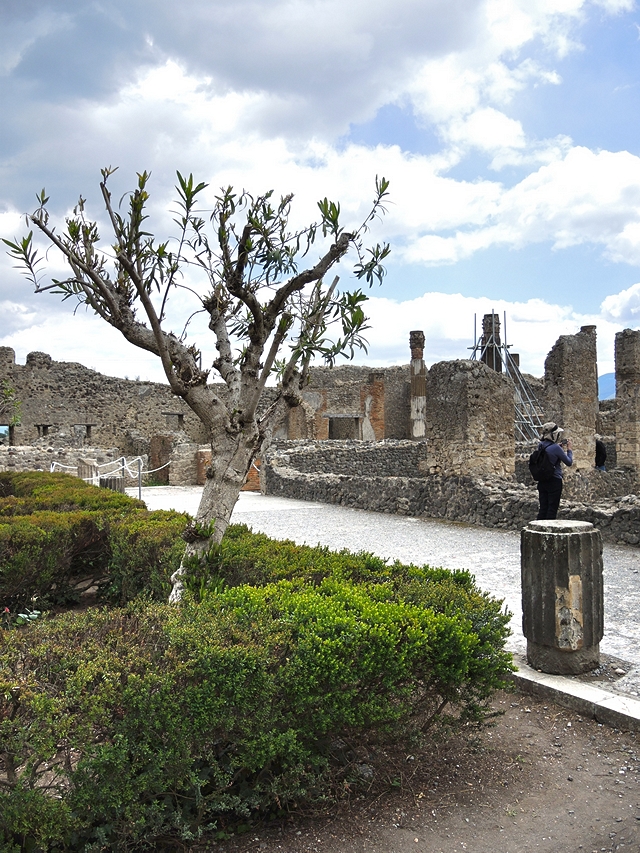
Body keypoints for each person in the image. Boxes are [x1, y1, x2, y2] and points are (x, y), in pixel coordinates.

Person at [536, 422, 573, 520]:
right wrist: (569, 450)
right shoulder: (556, 448)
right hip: (554, 480)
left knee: (543, 508)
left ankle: (538, 531)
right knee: (552, 509)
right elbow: (569, 462)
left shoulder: (540, 445)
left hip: (542, 480)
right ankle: (549, 531)